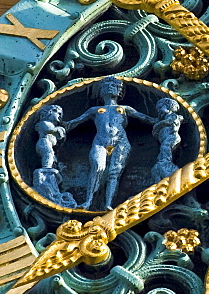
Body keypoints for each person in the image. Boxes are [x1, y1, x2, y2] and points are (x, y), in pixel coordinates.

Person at [65, 76, 156, 210]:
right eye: (106, 86)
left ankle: (108, 204)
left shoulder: (125, 109)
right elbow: (74, 122)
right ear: (101, 91)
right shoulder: (95, 110)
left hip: (120, 142)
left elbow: (146, 118)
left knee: (114, 172)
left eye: (114, 86)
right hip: (100, 142)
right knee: (97, 167)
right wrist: (59, 125)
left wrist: (165, 119)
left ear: (120, 91)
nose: (110, 88)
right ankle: (88, 201)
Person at [34, 104, 65, 171]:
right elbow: (49, 130)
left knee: (52, 157)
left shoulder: (52, 125)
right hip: (44, 142)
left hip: (49, 144)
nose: (59, 116)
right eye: (58, 113)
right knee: (48, 154)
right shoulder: (45, 123)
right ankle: (46, 168)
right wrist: (59, 129)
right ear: (50, 112)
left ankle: (50, 168)